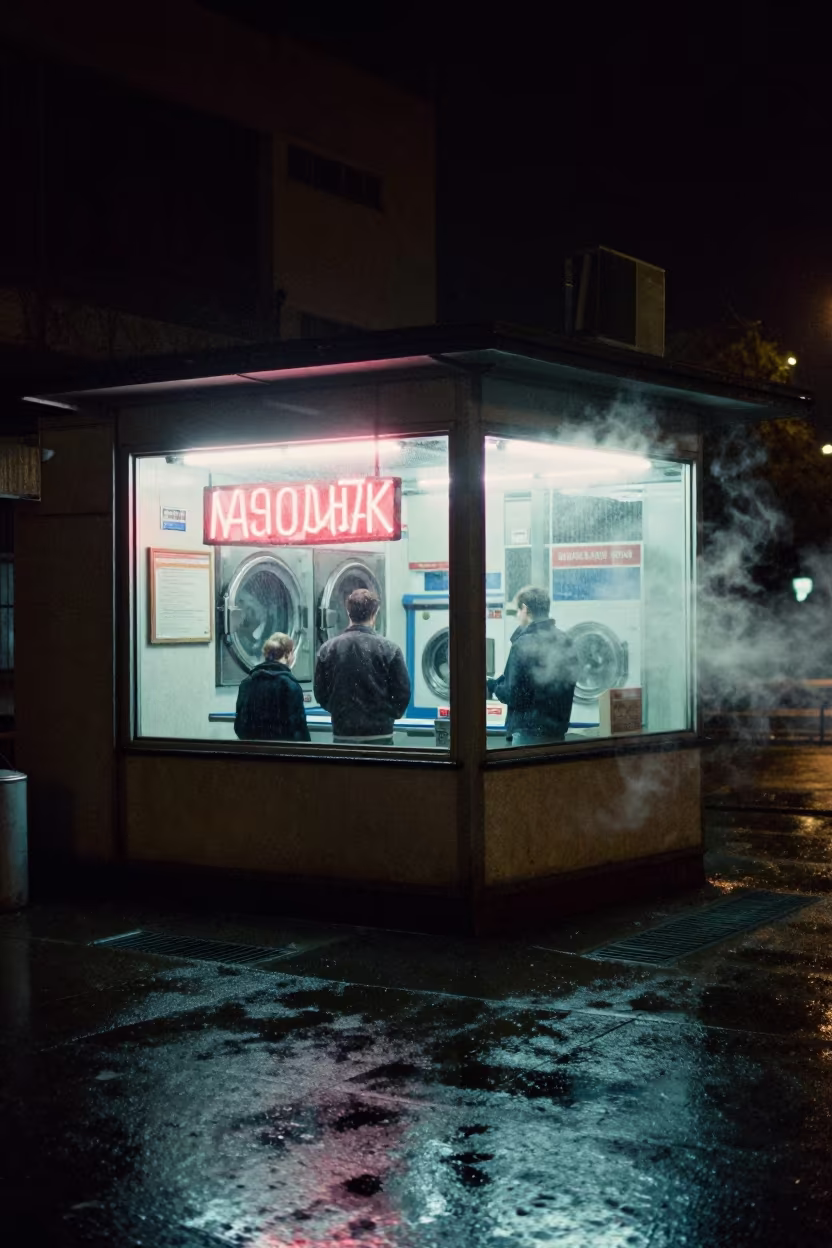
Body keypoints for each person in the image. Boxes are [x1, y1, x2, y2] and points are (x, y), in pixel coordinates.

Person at [314, 587, 411, 744]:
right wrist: (385, 714)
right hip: (380, 734)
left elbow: (320, 693)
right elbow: (403, 693)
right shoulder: (390, 649)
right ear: (374, 614)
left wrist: (340, 711)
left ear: (348, 612)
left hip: (343, 732)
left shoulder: (328, 649)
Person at [487, 585, 579, 746]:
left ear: (525, 609)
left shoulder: (523, 644)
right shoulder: (566, 640)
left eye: (517, 610)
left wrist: (493, 685)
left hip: (528, 733)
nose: (517, 615)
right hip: (557, 731)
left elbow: (514, 695)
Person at [234, 631, 311, 742]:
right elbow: (298, 730)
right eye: (293, 652)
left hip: (251, 753)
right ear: (287, 654)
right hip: (280, 754)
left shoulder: (247, 683)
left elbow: (239, 726)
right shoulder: (290, 686)